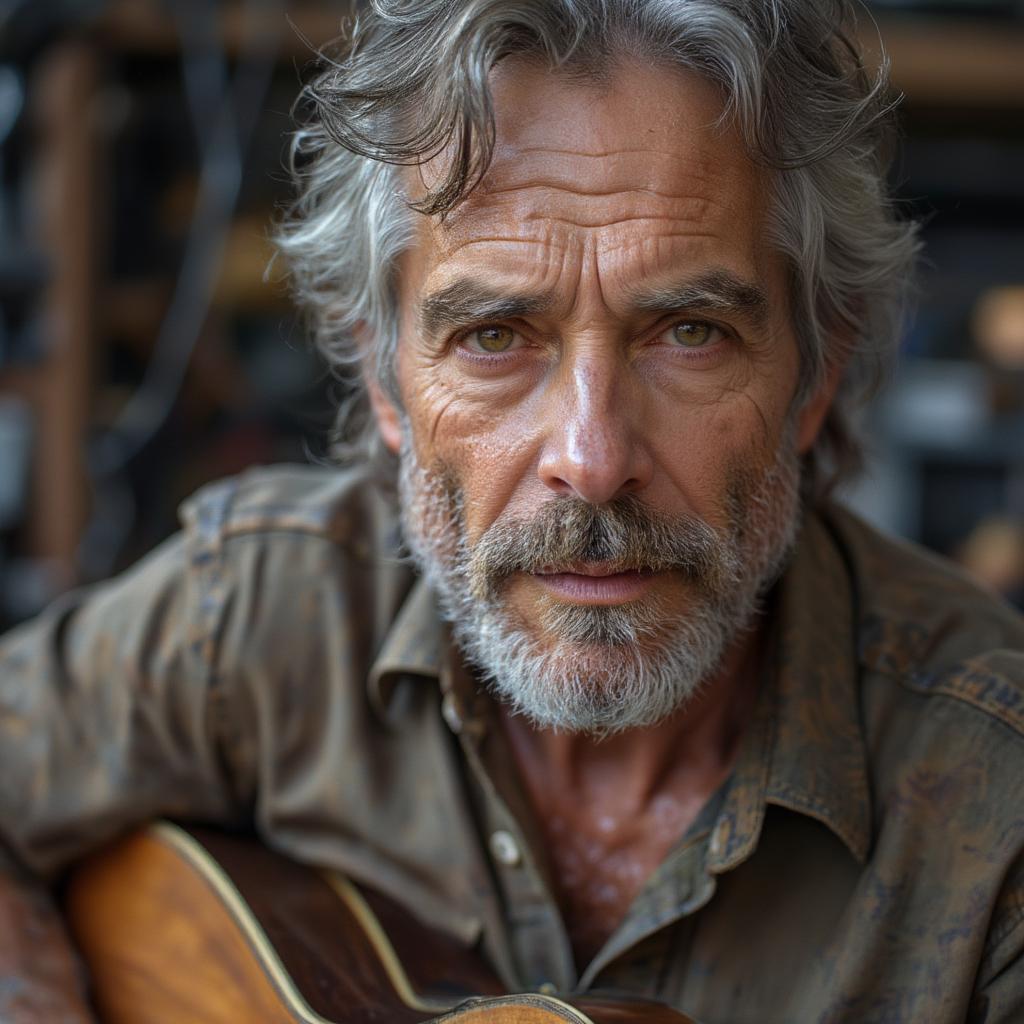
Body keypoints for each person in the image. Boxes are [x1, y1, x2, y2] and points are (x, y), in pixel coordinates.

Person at [2, 1, 1023, 1021]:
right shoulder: (262, 609)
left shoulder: (993, 822)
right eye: (494, 334)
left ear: (814, 373)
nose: (591, 458)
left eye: (689, 332)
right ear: (384, 376)